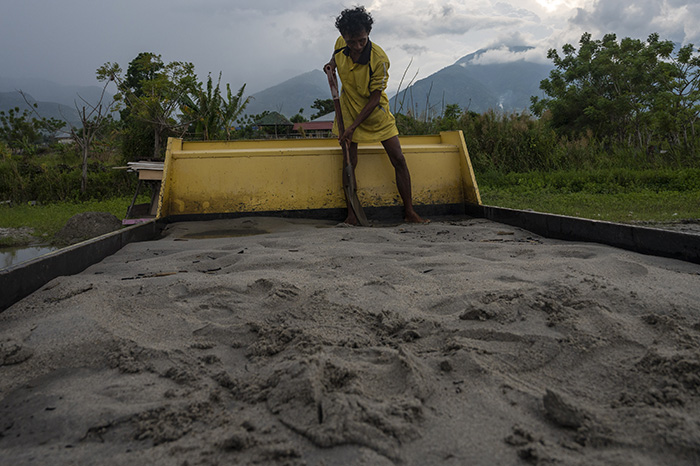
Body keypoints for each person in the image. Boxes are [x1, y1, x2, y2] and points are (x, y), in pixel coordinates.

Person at [326, 6, 427, 225]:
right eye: (352, 41)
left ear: (368, 34)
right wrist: (331, 66)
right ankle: (352, 214)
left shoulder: (379, 59)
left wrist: (352, 129)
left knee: (398, 158)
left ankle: (410, 212)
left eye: (362, 40)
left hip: (375, 114)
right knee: (349, 162)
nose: (357, 46)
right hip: (348, 111)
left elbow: (374, 99)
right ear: (344, 37)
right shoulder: (340, 43)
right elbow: (334, 57)